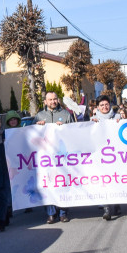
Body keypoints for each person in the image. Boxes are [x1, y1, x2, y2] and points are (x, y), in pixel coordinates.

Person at [34, 92, 75, 223]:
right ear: (45, 102)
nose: (53, 101)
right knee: (48, 184)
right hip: (46, 158)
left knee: (63, 183)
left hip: (62, 157)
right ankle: (51, 213)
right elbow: (32, 136)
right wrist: (37, 127)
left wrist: (64, 129)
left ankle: (63, 212)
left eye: (55, 99)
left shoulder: (66, 114)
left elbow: (74, 132)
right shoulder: (39, 116)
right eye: (50, 99)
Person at [90, 95, 122, 220]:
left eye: (106, 104)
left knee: (116, 179)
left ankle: (117, 204)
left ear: (110, 105)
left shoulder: (117, 117)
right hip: (101, 156)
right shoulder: (93, 119)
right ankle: (106, 208)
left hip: (116, 155)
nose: (104, 107)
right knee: (104, 181)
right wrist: (91, 125)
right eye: (102, 105)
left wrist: (123, 122)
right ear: (98, 107)